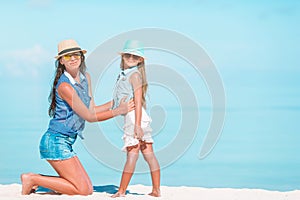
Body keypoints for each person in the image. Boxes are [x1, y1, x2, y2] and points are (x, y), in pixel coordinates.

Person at [20, 39, 134, 195]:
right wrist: (119, 111)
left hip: (65, 142)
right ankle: (32, 179)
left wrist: (115, 103)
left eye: (76, 54)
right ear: (61, 61)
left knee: (85, 186)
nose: (73, 59)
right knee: (84, 190)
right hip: (55, 142)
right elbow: (89, 117)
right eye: (67, 56)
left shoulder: (85, 77)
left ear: (81, 56)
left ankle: (37, 181)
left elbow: (91, 109)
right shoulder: (65, 86)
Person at [111, 40, 161, 198]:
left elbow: (138, 102)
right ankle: (156, 190)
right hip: (136, 117)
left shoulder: (134, 76)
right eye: (128, 55)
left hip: (134, 118)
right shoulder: (124, 75)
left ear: (140, 60)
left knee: (132, 154)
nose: (131, 58)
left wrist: (137, 125)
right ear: (123, 56)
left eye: (135, 56)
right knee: (148, 153)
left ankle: (121, 191)